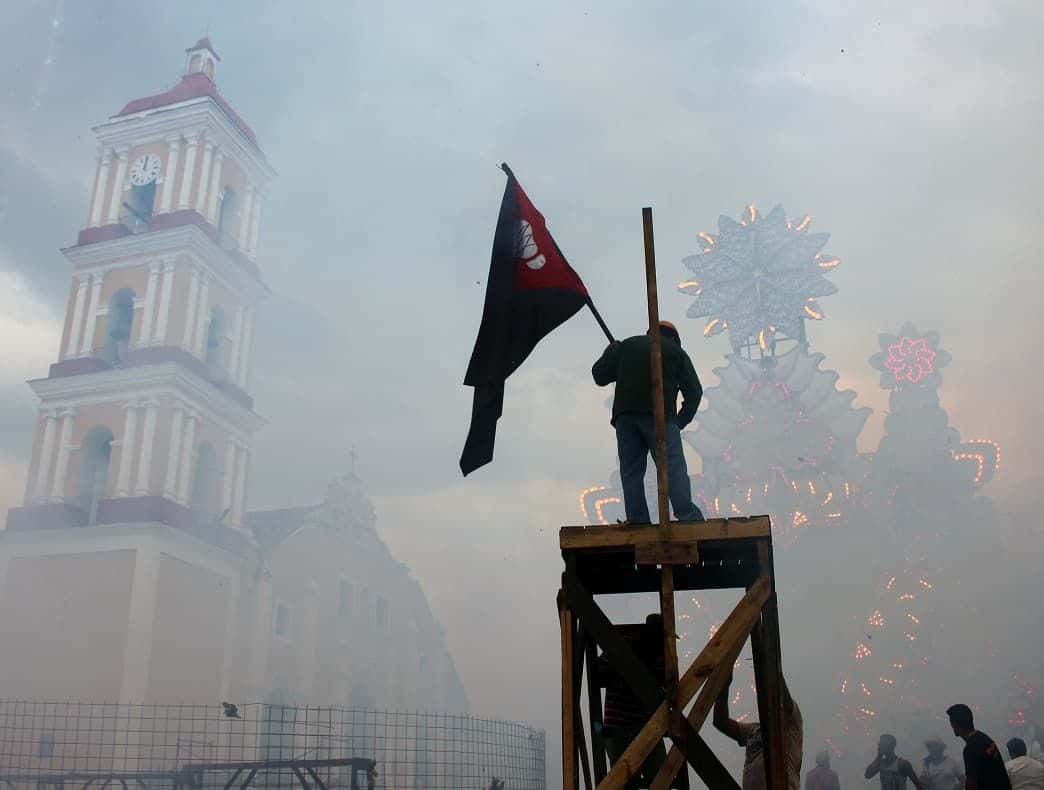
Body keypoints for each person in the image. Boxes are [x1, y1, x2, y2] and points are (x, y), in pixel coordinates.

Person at [592, 321, 704, 524]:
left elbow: (599, 375)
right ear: (673, 338)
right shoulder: (675, 351)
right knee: (672, 467)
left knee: (631, 471)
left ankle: (637, 520)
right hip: (660, 417)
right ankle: (688, 516)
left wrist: (610, 353)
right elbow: (694, 392)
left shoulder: (626, 346)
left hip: (625, 419)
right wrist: (679, 422)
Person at [599, 614, 667, 789]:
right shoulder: (620, 647)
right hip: (620, 729)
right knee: (630, 782)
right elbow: (599, 672)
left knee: (661, 777)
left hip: (643, 727)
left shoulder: (660, 656)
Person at [714, 671, 803, 790]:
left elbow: (785, 698)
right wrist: (724, 685)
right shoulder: (754, 730)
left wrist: (773, 667)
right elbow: (720, 721)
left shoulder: (791, 726)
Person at [946, 703, 1012, 790]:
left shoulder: (971, 749)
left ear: (955, 725)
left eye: (951, 723)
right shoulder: (984, 738)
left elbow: (971, 783)